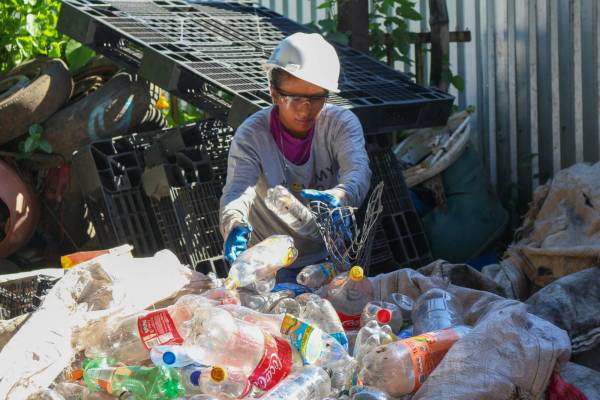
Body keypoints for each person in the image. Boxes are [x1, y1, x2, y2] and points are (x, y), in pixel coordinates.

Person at [219, 32, 372, 282]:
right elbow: (238, 190)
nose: (305, 109)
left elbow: (358, 171)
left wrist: (340, 196)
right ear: (274, 93)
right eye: (294, 98)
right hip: (268, 262)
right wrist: (233, 223)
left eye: (315, 98)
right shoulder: (252, 135)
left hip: (328, 257)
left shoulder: (340, 124)